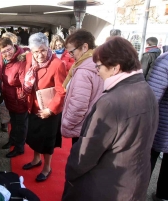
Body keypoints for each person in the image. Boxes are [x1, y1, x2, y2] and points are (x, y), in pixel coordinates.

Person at [62, 37, 159, 201]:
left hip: (107, 185)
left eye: (99, 66)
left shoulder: (110, 102)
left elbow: (87, 153)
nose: (97, 71)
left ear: (115, 68)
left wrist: (71, 172)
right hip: (134, 181)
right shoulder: (146, 89)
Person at [22, 32, 66, 182]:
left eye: (43, 50)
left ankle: (47, 167)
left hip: (49, 109)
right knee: (34, 136)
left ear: (48, 48)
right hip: (33, 106)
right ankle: (36, 159)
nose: (39, 55)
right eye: (36, 51)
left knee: (47, 141)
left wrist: (51, 109)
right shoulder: (29, 57)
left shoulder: (57, 64)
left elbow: (61, 91)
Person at [61, 29, 103, 144]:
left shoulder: (83, 71)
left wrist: (66, 123)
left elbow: (78, 104)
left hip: (83, 127)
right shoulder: (99, 62)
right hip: (95, 124)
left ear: (84, 47)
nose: (70, 56)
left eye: (72, 52)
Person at [0, 37, 28, 158]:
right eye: (4, 51)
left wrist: (23, 97)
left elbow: (25, 83)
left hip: (19, 97)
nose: (7, 53)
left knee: (21, 124)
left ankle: (19, 147)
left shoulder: (21, 60)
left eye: (9, 49)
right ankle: (13, 140)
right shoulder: (2, 58)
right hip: (9, 96)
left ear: (13, 46)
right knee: (13, 121)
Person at [147, 51, 168, 201]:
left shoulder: (165, 60)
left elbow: (153, 96)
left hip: (162, 124)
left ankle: (137, 193)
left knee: (148, 158)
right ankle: (163, 195)